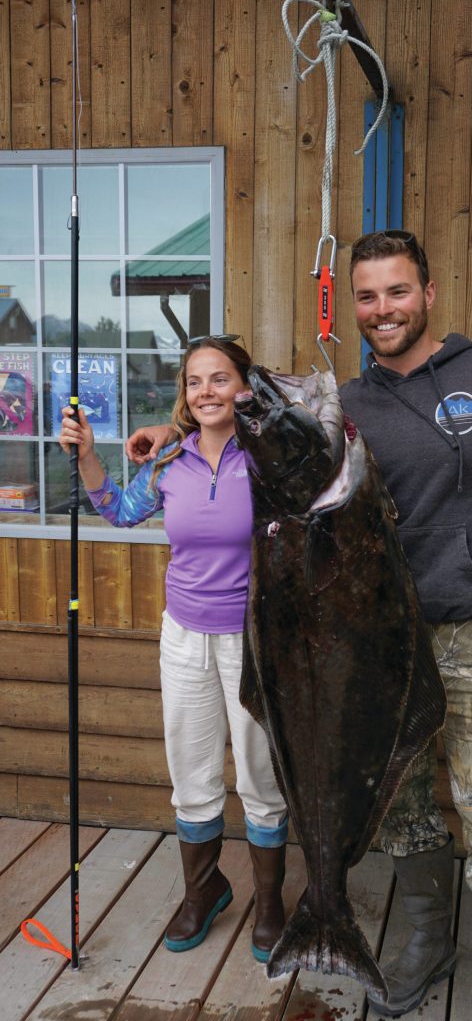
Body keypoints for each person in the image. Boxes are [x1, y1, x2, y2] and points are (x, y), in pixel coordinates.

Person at [126, 233, 472, 1021]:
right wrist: (171, 434)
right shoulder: (350, 407)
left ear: (428, 294)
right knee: (402, 814)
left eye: (395, 293)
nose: (380, 311)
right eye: (366, 298)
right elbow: (239, 420)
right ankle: (423, 945)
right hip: (373, 650)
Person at [59, 336, 289, 964]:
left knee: (261, 774)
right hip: (184, 637)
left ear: (246, 386)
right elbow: (119, 512)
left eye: (221, 379)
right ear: (183, 393)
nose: (206, 392)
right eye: (194, 382)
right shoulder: (167, 464)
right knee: (191, 774)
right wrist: (88, 458)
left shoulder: (272, 457)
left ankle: (269, 904)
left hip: (256, 639)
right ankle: (204, 888)